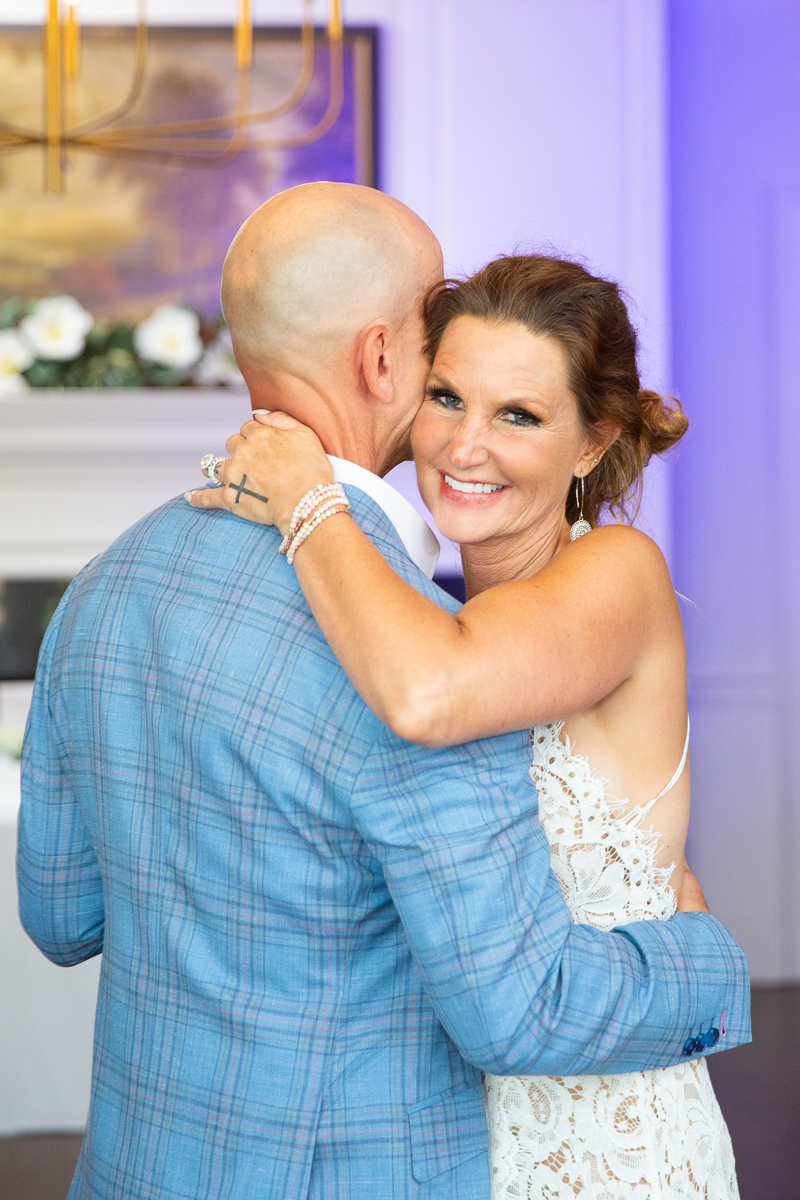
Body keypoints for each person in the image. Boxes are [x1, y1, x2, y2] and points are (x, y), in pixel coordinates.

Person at [17, 186, 748, 1200]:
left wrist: (308, 496)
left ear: (590, 439)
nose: (461, 441)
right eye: (444, 383)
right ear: (381, 362)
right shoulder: (406, 628)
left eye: (518, 413)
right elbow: (510, 1010)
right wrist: (704, 963)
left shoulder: (107, 585)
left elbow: (62, 916)